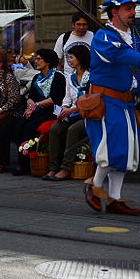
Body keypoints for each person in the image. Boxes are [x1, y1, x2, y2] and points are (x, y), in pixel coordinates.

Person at [84, 0, 140, 215]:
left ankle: (114, 199)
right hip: (105, 102)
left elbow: (134, 69)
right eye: (128, 9)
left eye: (133, 9)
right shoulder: (103, 37)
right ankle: (93, 185)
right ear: (114, 12)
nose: (133, 13)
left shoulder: (133, 39)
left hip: (125, 102)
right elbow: (120, 55)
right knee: (114, 151)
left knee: (127, 153)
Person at [12, 48, 66, 176]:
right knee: (18, 127)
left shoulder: (58, 77)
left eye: (39, 59)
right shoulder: (37, 77)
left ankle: (26, 163)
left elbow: (55, 98)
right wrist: (30, 104)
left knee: (29, 129)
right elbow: (31, 96)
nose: (36, 61)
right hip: (36, 110)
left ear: (47, 62)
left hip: (50, 111)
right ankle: (23, 160)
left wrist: (36, 105)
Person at [43, 44, 91, 181]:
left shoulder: (92, 76)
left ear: (80, 58)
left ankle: (66, 168)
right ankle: (53, 167)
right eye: (68, 58)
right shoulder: (70, 77)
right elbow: (67, 98)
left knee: (73, 130)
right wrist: (64, 108)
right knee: (55, 128)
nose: (69, 61)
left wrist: (72, 110)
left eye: (71, 58)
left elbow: (89, 100)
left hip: (88, 115)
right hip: (72, 113)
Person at [54, 12, 94, 77]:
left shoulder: (94, 37)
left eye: (84, 24)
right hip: (68, 80)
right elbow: (57, 61)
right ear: (73, 25)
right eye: (78, 24)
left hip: (90, 79)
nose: (81, 27)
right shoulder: (64, 38)